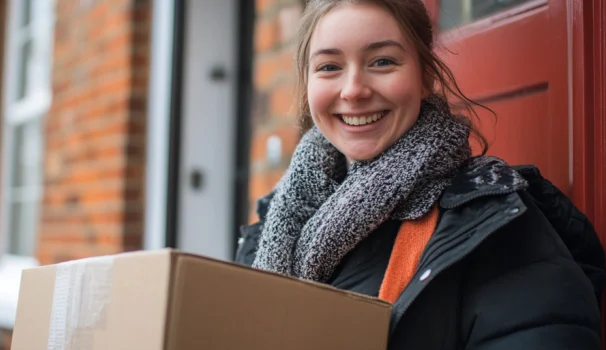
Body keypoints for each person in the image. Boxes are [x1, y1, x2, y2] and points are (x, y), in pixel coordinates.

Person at [234, 0, 605, 349]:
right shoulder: (273, 224)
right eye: (329, 67)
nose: (353, 90)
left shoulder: (494, 227)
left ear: (425, 76)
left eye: (381, 61)